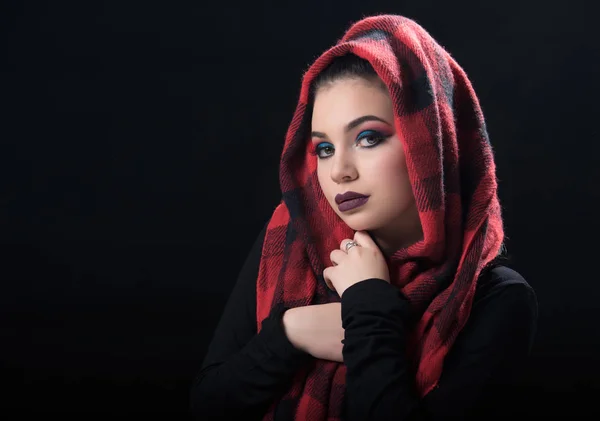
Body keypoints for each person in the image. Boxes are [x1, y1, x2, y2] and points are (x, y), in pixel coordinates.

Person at [190, 14, 538, 420]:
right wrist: (290, 333)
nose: (340, 171)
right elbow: (208, 404)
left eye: (368, 138)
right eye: (324, 149)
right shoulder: (291, 239)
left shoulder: (497, 299)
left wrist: (368, 302)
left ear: (430, 141)